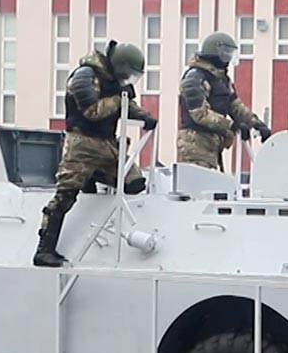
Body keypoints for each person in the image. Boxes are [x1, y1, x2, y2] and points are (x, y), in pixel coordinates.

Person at [34, 41, 157, 268]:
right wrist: (119, 98)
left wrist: (145, 116)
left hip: (107, 145)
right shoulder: (84, 76)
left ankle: (92, 179)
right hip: (82, 144)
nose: (129, 79)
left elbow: (127, 105)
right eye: (128, 74)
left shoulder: (116, 84)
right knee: (65, 196)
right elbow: (92, 111)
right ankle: (44, 250)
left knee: (134, 183)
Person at [177, 32, 270, 172]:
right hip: (195, 143)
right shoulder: (195, 77)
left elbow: (235, 106)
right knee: (201, 186)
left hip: (213, 142)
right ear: (215, 52)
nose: (228, 56)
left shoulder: (221, 79)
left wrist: (256, 124)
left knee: (215, 186)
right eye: (226, 52)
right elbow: (199, 114)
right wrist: (232, 126)